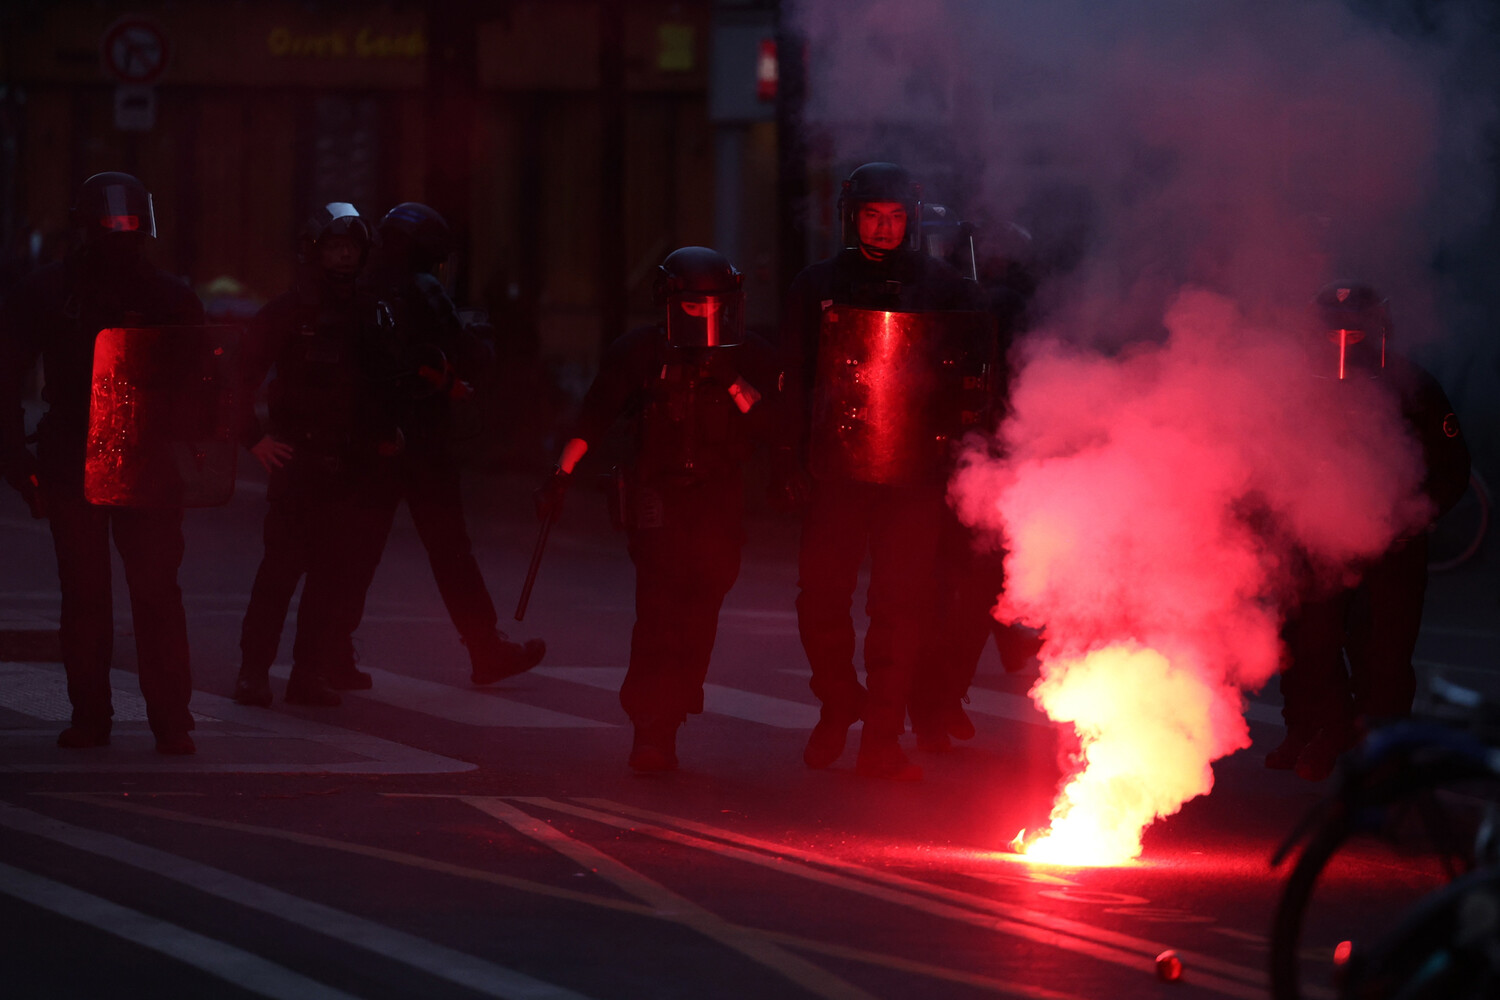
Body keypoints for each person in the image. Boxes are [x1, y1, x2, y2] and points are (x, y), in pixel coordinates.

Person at [535, 247, 790, 771]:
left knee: (702, 607)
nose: (706, 315)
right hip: (658, 499)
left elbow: (776, 428)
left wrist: (731, 380)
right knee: (657, 612)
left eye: (717, 305)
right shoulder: (641, 353)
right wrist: (561, 475)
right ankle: (652, 729)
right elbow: (596, 416)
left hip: (719, 499)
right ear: (670, 303)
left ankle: (680, 693)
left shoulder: (747, 353)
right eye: (694, 305)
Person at [780, 162, 981, 780]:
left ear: (911, 219)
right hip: (834, 472)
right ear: (851, 216)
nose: (885, 227)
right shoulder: (818, 284)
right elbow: (795, 379)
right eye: (873, 215)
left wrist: (961, 460)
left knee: (900, 607)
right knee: (821, 598)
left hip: (914, 472)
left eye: (896, 216)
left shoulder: (944, 288)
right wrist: (788, 459)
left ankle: (883, 740)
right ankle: (840, 701)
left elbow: (968, 383)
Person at [0, 172, 204, 753]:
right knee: (114, 594)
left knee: (135, 592)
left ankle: (148, 719)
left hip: (140, 464)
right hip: (87, 462)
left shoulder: (162, 297)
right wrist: (16, 459)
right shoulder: (56, 293)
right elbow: (6, 372)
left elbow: (206, 380)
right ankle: (131, 718)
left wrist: (17, 460)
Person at [1270, 282, 1471, 780]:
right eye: (1331, 328)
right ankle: (1323, 732)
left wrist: (1414, 517)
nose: (1342, 339)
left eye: (1354, 328)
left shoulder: (1414, 387)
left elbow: (1452, 467)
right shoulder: (1293, 387)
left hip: (1392, 545)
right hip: (1315, 541)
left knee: (1383, 653)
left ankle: (1381, 753)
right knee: (1309, 643)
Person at [361, 202, 544, 685]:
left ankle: (324, 653)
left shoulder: (365, 287)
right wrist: (478, 340)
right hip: (423, 437)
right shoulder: (424, 288)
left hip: (375, 431)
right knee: (449, 549)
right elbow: (470, 353)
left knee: (359, 547)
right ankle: (485, 648)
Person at [231, 203, 404, 707]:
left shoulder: (372, 311)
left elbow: (386, 382)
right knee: (279, 575)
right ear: (314, 250)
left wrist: (388, 437)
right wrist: (253, 439)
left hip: (352, 466)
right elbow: (238, 376)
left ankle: (309, 673)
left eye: (352, 247)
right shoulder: (288, 311)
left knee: (332, 580)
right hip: (298, 462)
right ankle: (253, 672)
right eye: (335, 246)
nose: (345, 256)